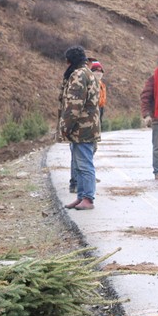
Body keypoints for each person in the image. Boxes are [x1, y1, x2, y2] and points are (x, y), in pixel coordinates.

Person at [59, 46, 101, 210]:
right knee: (79, 164)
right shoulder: (88, 73)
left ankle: (88, 198)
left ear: (70, 61)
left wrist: (65, 127)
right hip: (87, 126)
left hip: (82, 128)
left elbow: (74, 105)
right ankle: (81, 196)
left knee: (84, 164)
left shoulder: (79, 75)